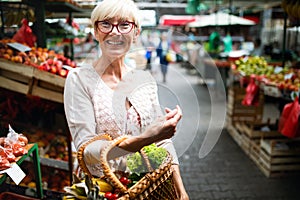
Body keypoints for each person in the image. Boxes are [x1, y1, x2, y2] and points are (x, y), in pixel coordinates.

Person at [63, 0, 189, 199]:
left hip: (146, 187)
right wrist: (145, 139)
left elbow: (162, 142)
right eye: (106, 24)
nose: (115, 32)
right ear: (95, 31)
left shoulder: (145, 80)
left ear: (136, 33)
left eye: (124, 25)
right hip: (102, 190)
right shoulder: (79, 80)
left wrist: (179, 189)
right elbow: (86, 152)